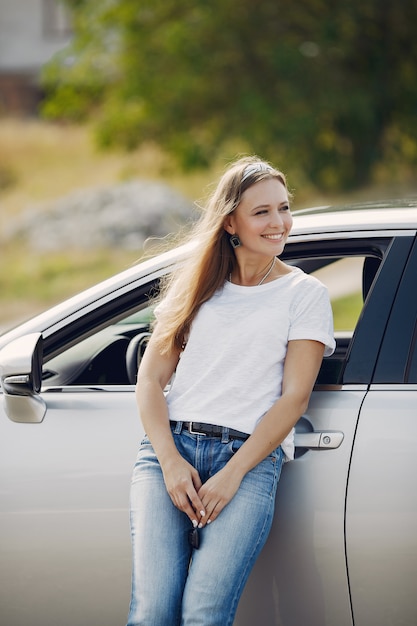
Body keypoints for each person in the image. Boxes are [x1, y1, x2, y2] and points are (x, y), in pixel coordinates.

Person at [126, 156, 335, 626]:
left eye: (283, 208)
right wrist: (170, 461)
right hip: (169, 452)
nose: (279, 222)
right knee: (153, 611)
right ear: (230, 222)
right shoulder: (196, 286)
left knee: (204, 613)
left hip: (248, 461)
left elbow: (293, 399)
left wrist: (233, 473)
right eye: (262, 212)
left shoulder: (305, 294)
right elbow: (151, 380)